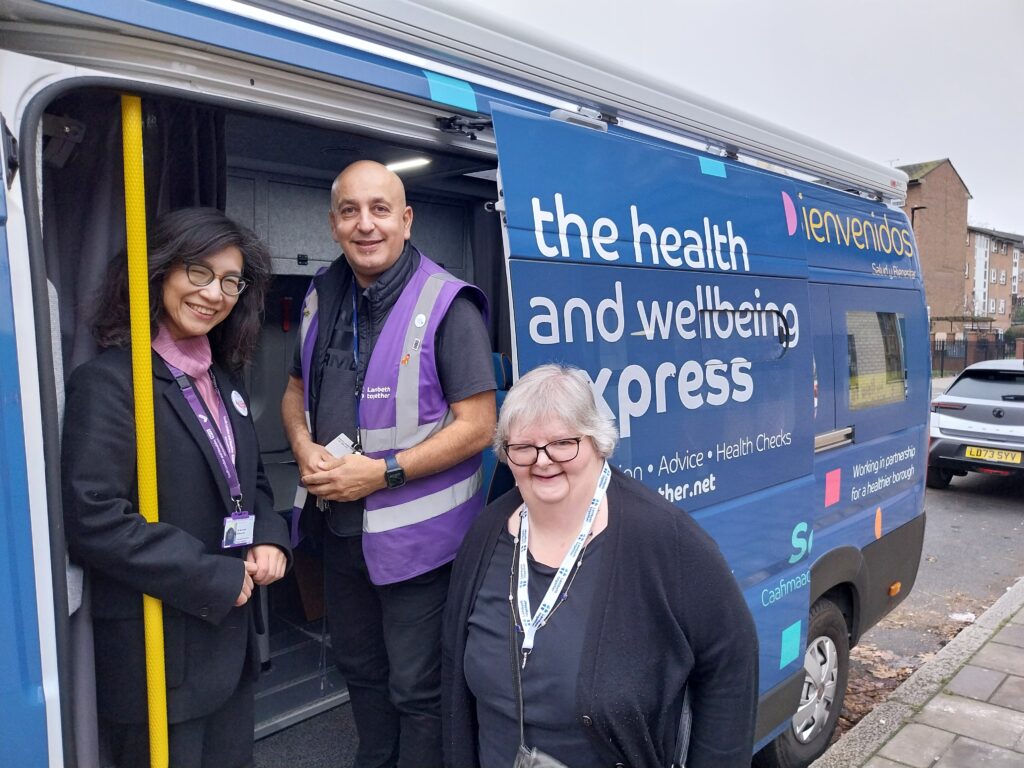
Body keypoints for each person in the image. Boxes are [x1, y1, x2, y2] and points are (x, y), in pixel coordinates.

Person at [281, 160, 496, 768]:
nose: (365, 224)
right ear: (333, 224)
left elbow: (479, 426)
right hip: (340, 534)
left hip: (420, 549)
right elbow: (295, 392)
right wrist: (300, 445)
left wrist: (384, 473)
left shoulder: (449, 304)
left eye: (380, 209)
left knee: (417, 689)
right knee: (361, 671)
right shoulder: (322, 294)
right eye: (350, 210)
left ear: (405, 220)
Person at [62, 207, 292, 768]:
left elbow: (251, 479)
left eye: (231, 281)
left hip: (230, 644)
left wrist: (268, 535)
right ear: (161, 271)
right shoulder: (112, 383)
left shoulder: (224, 378)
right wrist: (217, 575)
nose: (215, 293)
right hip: (159, 654)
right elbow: (95, 518)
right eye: (199, 272)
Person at [442, 364, 760, 768]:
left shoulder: (664, 537)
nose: (543, 461)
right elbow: (453, 669)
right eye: (523, 447)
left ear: (597, 441)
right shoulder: (486, 534)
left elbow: (731, 655)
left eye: (562, 443)